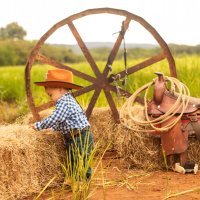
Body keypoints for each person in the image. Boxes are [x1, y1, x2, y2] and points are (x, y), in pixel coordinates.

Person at [31, 69, 93, 182]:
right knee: (73, 160)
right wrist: (53, 129)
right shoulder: (66, 100)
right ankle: (76, 180)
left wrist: (38, 126)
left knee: (81, 160)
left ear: (60, 89)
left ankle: (83, 182)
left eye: (51, 95)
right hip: (74, 137)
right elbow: (63, 122)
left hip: (80, 138)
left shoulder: (65, 102)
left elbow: (56, 118)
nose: (50, 98)